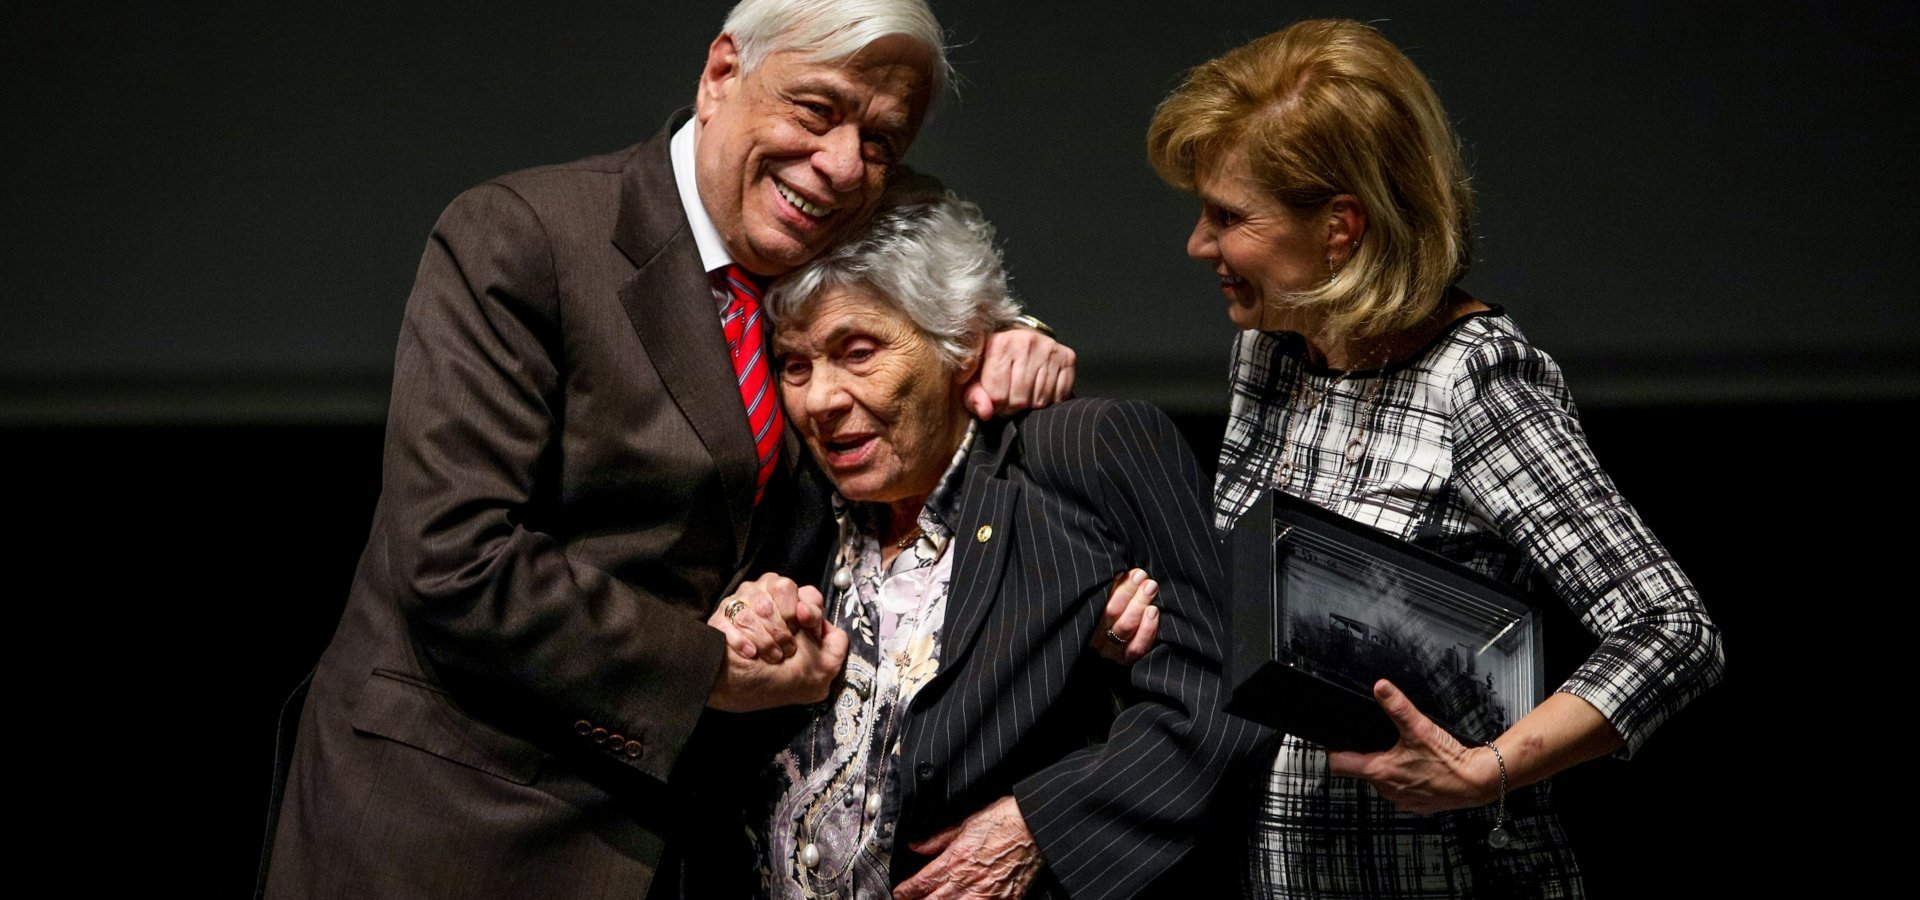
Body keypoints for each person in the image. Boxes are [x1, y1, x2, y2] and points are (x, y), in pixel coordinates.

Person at [255, 3, 1100, 898]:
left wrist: (1005, 334)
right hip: (457, 828)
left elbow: (938, 258)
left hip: (684, 846)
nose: (845, 164)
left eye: (882, 141)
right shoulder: (524, 236)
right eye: (816, 109)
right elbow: (456, 562)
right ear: (722, 72)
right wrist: (709, 670)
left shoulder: (820, 234)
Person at [1144, 18, 1726, 898]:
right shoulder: (1272, 356)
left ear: (1341, 227)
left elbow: (1672, 630)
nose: (1199, 245)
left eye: (1228, 217)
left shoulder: (1474, 380)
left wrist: (1487, 769)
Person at [714, 174, 1268, 899]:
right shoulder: (790, 494)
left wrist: (1043, 825)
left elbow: (1228, 695)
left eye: (858, 352)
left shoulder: (1082, 453)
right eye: (795, 364)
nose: (820, 399)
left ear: (962, 342)